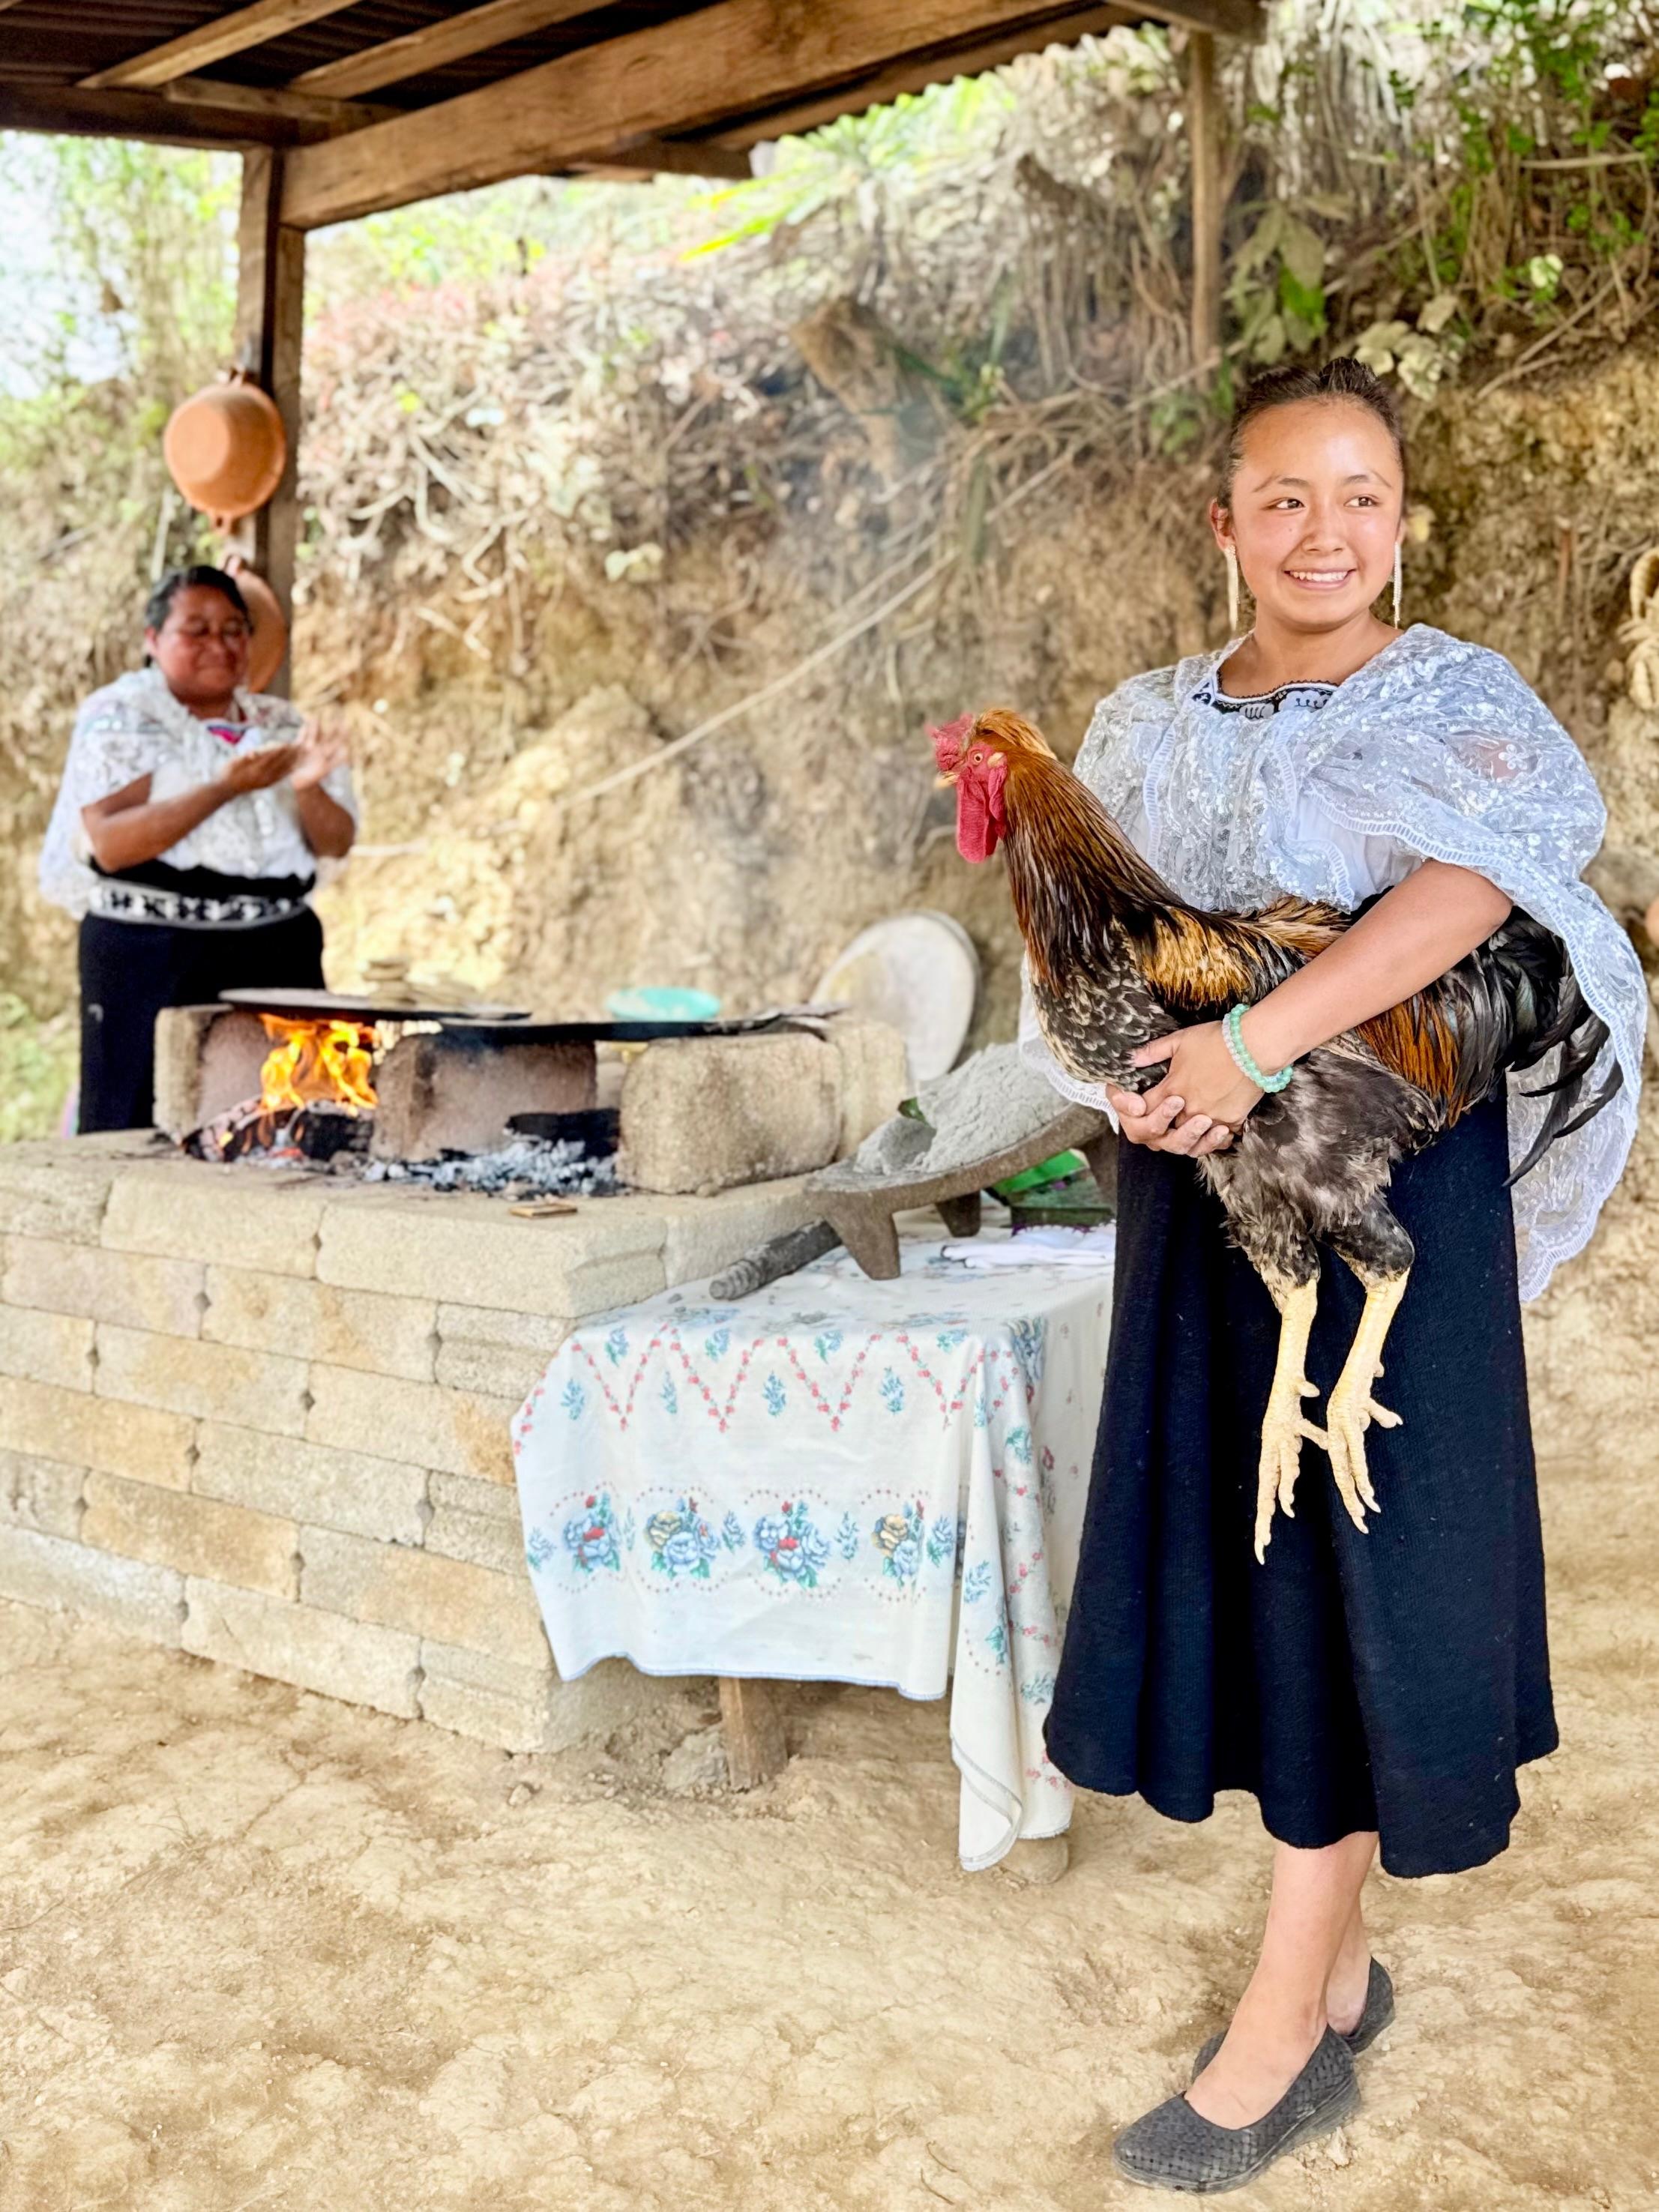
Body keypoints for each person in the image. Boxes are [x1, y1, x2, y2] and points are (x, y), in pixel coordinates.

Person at [1023, 359, 1645, 2191]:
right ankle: (1340, 1954)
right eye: (1282, 498)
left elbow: (1473, 894)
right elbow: (1116, 928)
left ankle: (1286, 2015)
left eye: (1357, 494)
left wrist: (1258, 1052)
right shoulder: (1146, 716)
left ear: (1402, 517)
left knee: (1362, 1554)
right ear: (1223, 526)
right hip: (1204, 1184)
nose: (1322, 530)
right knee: (1257, 1554)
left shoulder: (1452, 693)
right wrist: (1134, 1083)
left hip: (1376, 1177)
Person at [38, 564, 358, 1133]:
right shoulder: (123, 717)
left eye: (235, 629)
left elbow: (335, 841)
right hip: (151, 954)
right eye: (197, 629)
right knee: (139, 1119)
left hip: (274, 948)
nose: (221, 644)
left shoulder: (281, 722)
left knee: (284, 1120)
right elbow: (112, 844)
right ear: (153, 639)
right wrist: (225, 788)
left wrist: (306, 783)